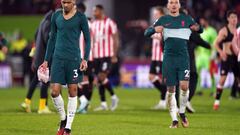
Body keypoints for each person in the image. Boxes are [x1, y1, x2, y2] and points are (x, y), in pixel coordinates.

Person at [145, 0, 202, 128]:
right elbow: (146, 32)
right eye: (171, 2)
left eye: (176, 2)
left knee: (184, 86)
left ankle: (182, 112)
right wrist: (154, 29)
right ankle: (174, 120)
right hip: (169, 60)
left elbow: (200, 29)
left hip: (183, 59)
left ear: (179, 5)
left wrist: (197, 28)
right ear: (168, 6)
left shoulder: (187, 19)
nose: (174, 4)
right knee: (171, 89)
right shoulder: (162, 19)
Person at [40, 0, 91, 134]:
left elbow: (88, 39)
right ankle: (63, 119)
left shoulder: (80, 17)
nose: (65, 4)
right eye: (63, 2)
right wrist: (46, 60)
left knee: (72, 90)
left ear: (73, 2)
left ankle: (68, 127)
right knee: (54, 92)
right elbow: (52, 38)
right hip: (57, 58)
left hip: (74, 59)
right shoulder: (56, 16)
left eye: (68, 2)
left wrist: (85, 59)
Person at [21, 9, 55, 114]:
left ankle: (26, 102)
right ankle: (42, 107)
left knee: (36, 79)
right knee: (45, 80)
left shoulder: (42, 21)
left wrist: (33, 55)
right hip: (45, 56)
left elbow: (36, 37)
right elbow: (48, 39)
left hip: (38, 55)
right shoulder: (49, 23)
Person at [91, 4, 119, 111]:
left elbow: (115, 39)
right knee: (99, 79)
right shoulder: (93, 24)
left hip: (107, 55)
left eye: (95, 11)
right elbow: (92, 40)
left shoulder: (110, 23)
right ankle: (103, 103)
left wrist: (114, 54)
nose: (94, 13)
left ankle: (114, 97)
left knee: (101, 76)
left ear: (101, 11)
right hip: (96, 56)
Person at [213, 10, 239, 110]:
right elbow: (215, 43)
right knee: (223, 79)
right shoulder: (224, 31)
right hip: (227, 57)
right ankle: (216, 102)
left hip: (236, 58)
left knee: (238, 79)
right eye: (232, 17)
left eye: (235, 17)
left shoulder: (238, 31)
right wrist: (221, 52)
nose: (234, 19)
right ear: (228, 18)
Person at [76, 2, 95, 114]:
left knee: (73, 80)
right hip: (91, 56)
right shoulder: (91, 23)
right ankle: (85, 105)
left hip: (80, 56)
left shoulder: (77, 22)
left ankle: (83, 101)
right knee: (87, 80)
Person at [148, 6, 167, 110]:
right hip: (155, 56)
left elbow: (166, 37)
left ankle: (163, 101)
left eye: (156, 13)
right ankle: (166, 94)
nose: (155, 15)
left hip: (162, 56)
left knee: (164, 79)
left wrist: (154, 35)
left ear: (161, 14)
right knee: (151, 77)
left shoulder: (165, 23)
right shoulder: (155, 23)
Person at [196, 17, 218, 96]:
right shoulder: (200, 31)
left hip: (208, 55)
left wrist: (213, 54)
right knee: (196, 73)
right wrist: (196, 53)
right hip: (200, 55)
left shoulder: (212, 31)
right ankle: (199, 90)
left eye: (203, 21)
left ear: (206, 21)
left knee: (211, 73)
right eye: (200, 21)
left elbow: (215, 43)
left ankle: (213, 90)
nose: (201, 23)